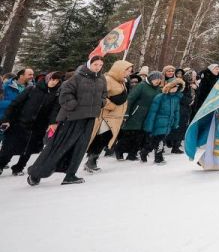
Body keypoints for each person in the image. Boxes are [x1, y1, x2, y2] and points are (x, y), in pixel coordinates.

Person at [27, 56, 107, 186]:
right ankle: (36, 173)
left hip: (89, 119)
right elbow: (65, 93)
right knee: (59, 146)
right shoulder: (77, 77)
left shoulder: (101, 79)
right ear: (89, 64)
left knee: (79, 148)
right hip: (72, 118)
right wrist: (74, 106)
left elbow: (104, 94)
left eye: (100, 65)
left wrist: (101, 103)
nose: (98, 67)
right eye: (95, 64)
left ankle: (70, 175)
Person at [0, 72, 62, 176]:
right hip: (20, 123)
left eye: (56, 81)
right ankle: (1, 164)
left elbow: (54, 111)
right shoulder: (32, 89)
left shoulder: (55, 95)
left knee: (28, 150)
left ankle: (18, 167)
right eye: (52, 79)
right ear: (47, 78)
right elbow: (15, 104)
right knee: (9, 147)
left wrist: (53, 123)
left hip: (38, 127)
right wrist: (7, 119)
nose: (53, 82)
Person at [84, 60, 133, 173]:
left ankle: (92, 160)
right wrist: (110, 105)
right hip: (106, 116)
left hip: (116, 117)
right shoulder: (107, 80)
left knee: (105, 138)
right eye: (127, 71)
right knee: (101, 138)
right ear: (119, 70)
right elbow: (98, 96)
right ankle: (91, 160)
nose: (129, 73)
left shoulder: (122, 81)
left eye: (130, 71)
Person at [115, 71, 162, 161]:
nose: (157, 81)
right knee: (130, 135)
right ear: (151, 78)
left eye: (159, 79)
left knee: (140, 136)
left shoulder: (158, 89)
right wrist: (126, 112)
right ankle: (119, 151)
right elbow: (130, 99)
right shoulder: (141, 86)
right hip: (136, 114)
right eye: (156, 79)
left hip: (148, 115)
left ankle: (132, 154)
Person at [142, 76, 184, 165]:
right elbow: (153, 112)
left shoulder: (176, 98)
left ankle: (144, 152)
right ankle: (158, 158)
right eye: (173, 87)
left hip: (168, 123)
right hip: (158, 123)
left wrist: (176, 123)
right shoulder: (160, 97)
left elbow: (176, 111)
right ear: (168, 87)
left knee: (154, 142)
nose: (175, 89)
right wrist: (149, 126)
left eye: (177, 87)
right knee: (159, 141)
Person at [165, 69, 196, 154]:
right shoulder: (182, 84)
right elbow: (179, 95)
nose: (194, 78)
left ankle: (176, 145)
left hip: (185, 109)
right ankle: (174, 145)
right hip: (180, 109)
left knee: (181, 127)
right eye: (193, 76)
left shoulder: (189, 85)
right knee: (178, 127)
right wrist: (189, 101)